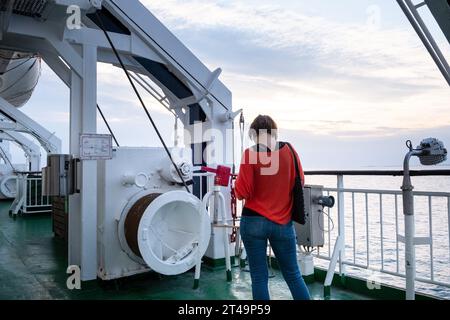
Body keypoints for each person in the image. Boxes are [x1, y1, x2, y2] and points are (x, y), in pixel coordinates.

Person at [235, 115, 311, 300]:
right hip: (283, 223)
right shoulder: (290, 151)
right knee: (293, 275)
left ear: (254, 133)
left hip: (253, 221)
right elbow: (300, 181)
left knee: (259, 278)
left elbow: (242, 192)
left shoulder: (250, 154)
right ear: (273, 131)